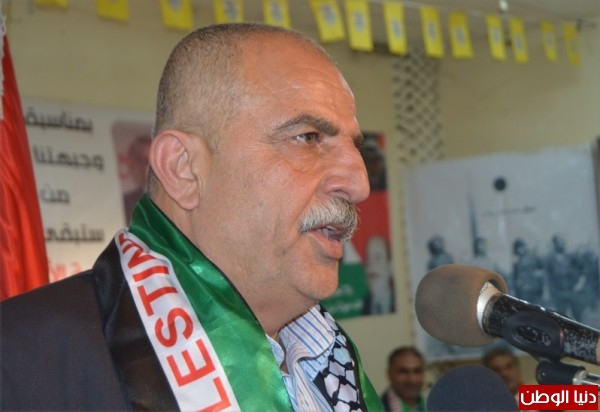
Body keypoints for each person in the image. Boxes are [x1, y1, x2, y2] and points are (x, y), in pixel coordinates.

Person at [1, 23, 382, 411]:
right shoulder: (20, 363)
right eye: (308, 138)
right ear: (183, 168)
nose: (359, 185)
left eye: (355, 147)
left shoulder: (333, 361)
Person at [545, 233, 585, 321]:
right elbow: (547, 275)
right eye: (560, 241)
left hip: (572, 290)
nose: (563, 243)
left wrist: (580, 283)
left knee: (578, 316)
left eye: (564, 241)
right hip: (559, 292)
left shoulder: (572, 255)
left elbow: (583, 269)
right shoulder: (550, 258)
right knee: (561, 317)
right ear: (555, 243)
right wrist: (548, 291)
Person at [380, 346, 427, 412]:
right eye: (403, 371)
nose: (411, 379)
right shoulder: (374, 408)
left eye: (417, 371)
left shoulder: (433, 405)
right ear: (389, 374)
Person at [122, 134, 152, 223]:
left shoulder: (178, 197)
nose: (153, 166)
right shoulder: (126, 202)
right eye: (147, 161)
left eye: (156, 160)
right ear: (137, 165)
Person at [363, 235, 395, 314]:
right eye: (368, 259)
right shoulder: (364, 309)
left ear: (390, 266)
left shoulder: (400, 301)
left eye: (377, 258)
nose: (371, 265)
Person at [512, 238, 545, 306]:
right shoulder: (516, 264)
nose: (520, 250)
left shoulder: (535, 258)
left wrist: (539, 274)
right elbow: (515, 279)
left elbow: (543, 270)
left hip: (536, 290)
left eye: (521, 247)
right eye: (518, 248)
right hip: (525, 292)